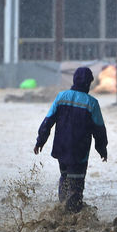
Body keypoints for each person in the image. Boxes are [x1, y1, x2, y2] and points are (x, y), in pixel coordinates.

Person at [34, 67, 108, 212]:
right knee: (76, 187)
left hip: (61, 149)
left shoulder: (61, 97)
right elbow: (99, 130)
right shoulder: (92, 103)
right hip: (79, 152)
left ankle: (61, 211)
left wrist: (40, 141)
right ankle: (72, 217)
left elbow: (48, 121)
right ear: (89, 83)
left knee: (65, 178)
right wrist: (102, 149)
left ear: (74, 80)